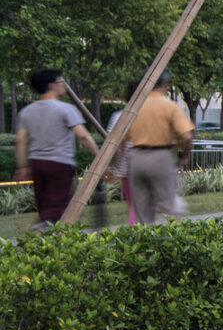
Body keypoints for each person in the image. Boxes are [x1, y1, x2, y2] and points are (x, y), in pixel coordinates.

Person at [15, 68, 101, 229]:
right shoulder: (66, 109)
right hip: (59, 164)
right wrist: (99, 156)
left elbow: (20, 140)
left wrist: (22, 166)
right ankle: (37, 236)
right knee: (55, 210)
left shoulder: (26, 112)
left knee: (45, 206)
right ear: (52, 85)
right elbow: (83, 136)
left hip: (37, 164)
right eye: (61, 81)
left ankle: (47, 244)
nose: (64, 85)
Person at [124, 70, 195, 225]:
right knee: (171, 206)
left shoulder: (134, 106)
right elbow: (187, 136)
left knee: (142, 209)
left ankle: (145, 242)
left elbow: (121, 139)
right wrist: (185, 155)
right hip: (160, 156)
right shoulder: (169, 106)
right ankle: (173, 241)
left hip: (136, 157)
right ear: (164, 84)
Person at [104, 79, 140, 225]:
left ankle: (136, 233)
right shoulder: (153, 115)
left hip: (128, 166)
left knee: (133, 206)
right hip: (151, 165)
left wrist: (109, 166)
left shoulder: (119, 116)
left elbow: (111, 144)